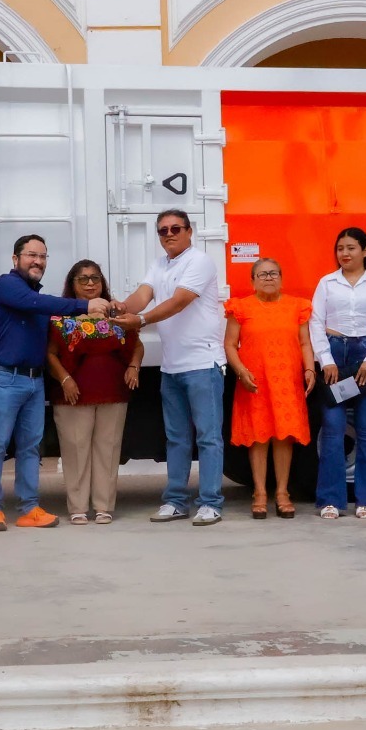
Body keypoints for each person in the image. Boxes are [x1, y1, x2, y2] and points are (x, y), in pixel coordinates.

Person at [0, 234, 109, 531]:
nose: (38, 261)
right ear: (16, 259)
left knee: (30, 448)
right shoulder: (6, 285)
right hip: (3, 378)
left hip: (33, 381)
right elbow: (34, 302)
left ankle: (29, 508)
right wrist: (84, 306)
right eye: (31, 255)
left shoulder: (39, 299)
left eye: (43, 256)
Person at [110, 209, 227, 527]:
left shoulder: (199, 261)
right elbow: (142, 295)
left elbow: (179, 301)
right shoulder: (159, 264)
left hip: (203, 363)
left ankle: (210, 503)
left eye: (176, 228)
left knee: (208, 437)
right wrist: (120, 307)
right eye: (163, 230)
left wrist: (142, 319)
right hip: (171, 366)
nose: (169, 234)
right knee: (176, 438)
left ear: (190, 231)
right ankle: (176, 501)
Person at [46, 259, 142, 525]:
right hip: (73, 396)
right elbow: (50, 355)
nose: (90, 283)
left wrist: (134, 366)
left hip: (113, 392)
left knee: (108, 451)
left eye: (95, 278)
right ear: (72, 285)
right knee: (75, 451)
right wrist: (65, 379)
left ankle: (103, 507)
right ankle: (77, 507)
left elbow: (137, 345)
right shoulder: (61, 316)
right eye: (83, 279)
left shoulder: (117, 314)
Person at [310, 226, 366, 520]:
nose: (344, 254)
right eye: (340, 249)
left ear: (365, 251)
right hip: (335, 355)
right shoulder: (326, 283)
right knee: (333, 428)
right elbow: (315, 322)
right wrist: (325, 360)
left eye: (350, 248)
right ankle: (331, 500)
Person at [224, 257, 314, 519]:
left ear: (282, 278)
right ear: (252, 281)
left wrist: (309, 369)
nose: (268, 278)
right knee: (259, 437)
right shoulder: (240, 307)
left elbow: (305, 343)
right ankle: (260, 492)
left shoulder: (297, 306)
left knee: (284, 436)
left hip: (287, 380)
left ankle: (283, 493)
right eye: (262, 274)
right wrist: (241, 372)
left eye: (273, 273)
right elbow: (230, 344)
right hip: (255, 382)